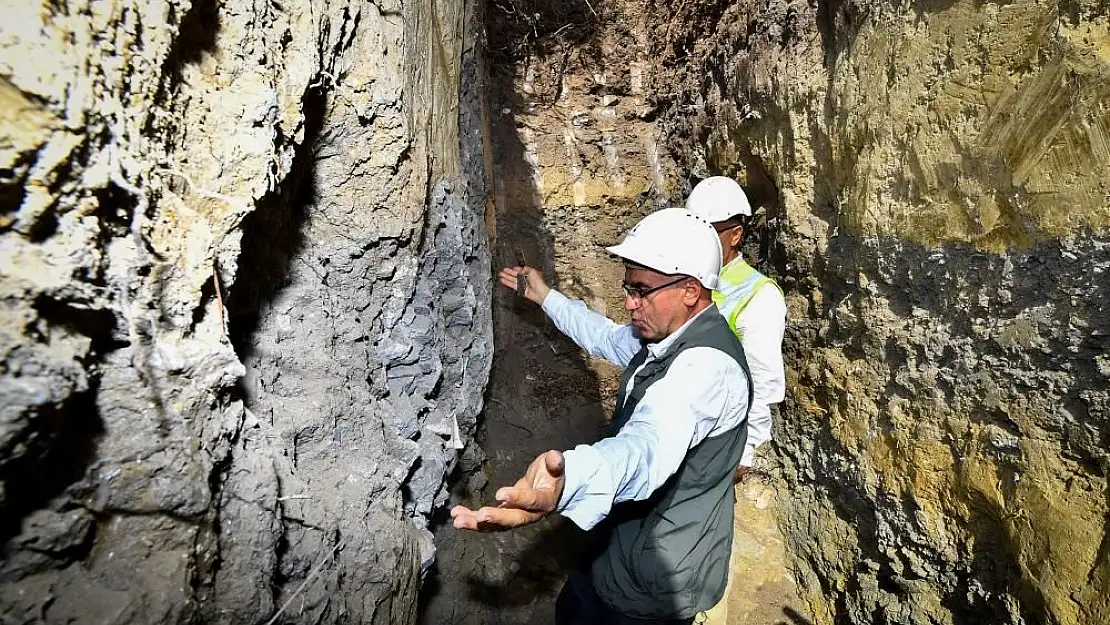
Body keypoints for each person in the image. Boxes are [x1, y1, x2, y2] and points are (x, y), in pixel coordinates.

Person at [451, 208, 753, 625]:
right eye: (628, 287)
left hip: (657, 574)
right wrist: (545, 296)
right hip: (615, 544)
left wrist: (570, 477)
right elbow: (606, 337)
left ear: (689, 289)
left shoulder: (705, 369)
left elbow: (648, 446)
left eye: (642, 290)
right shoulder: (664, 337)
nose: (629, 303)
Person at [685, 176, 786, 481]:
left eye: (707, 231)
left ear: (735, 235)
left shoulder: (759, 295)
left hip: (721, 440)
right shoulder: (689, 279)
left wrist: (747, 450)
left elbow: (763, 379)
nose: (696, 240)